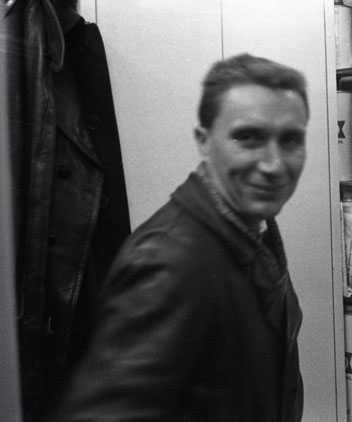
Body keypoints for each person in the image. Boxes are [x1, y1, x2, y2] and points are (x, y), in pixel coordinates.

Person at [48, 53, 309, 422]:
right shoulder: (167, 262)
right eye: (248, 137)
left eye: (290, 140)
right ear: (204, 141)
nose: (274, 164)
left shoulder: (256, 229)